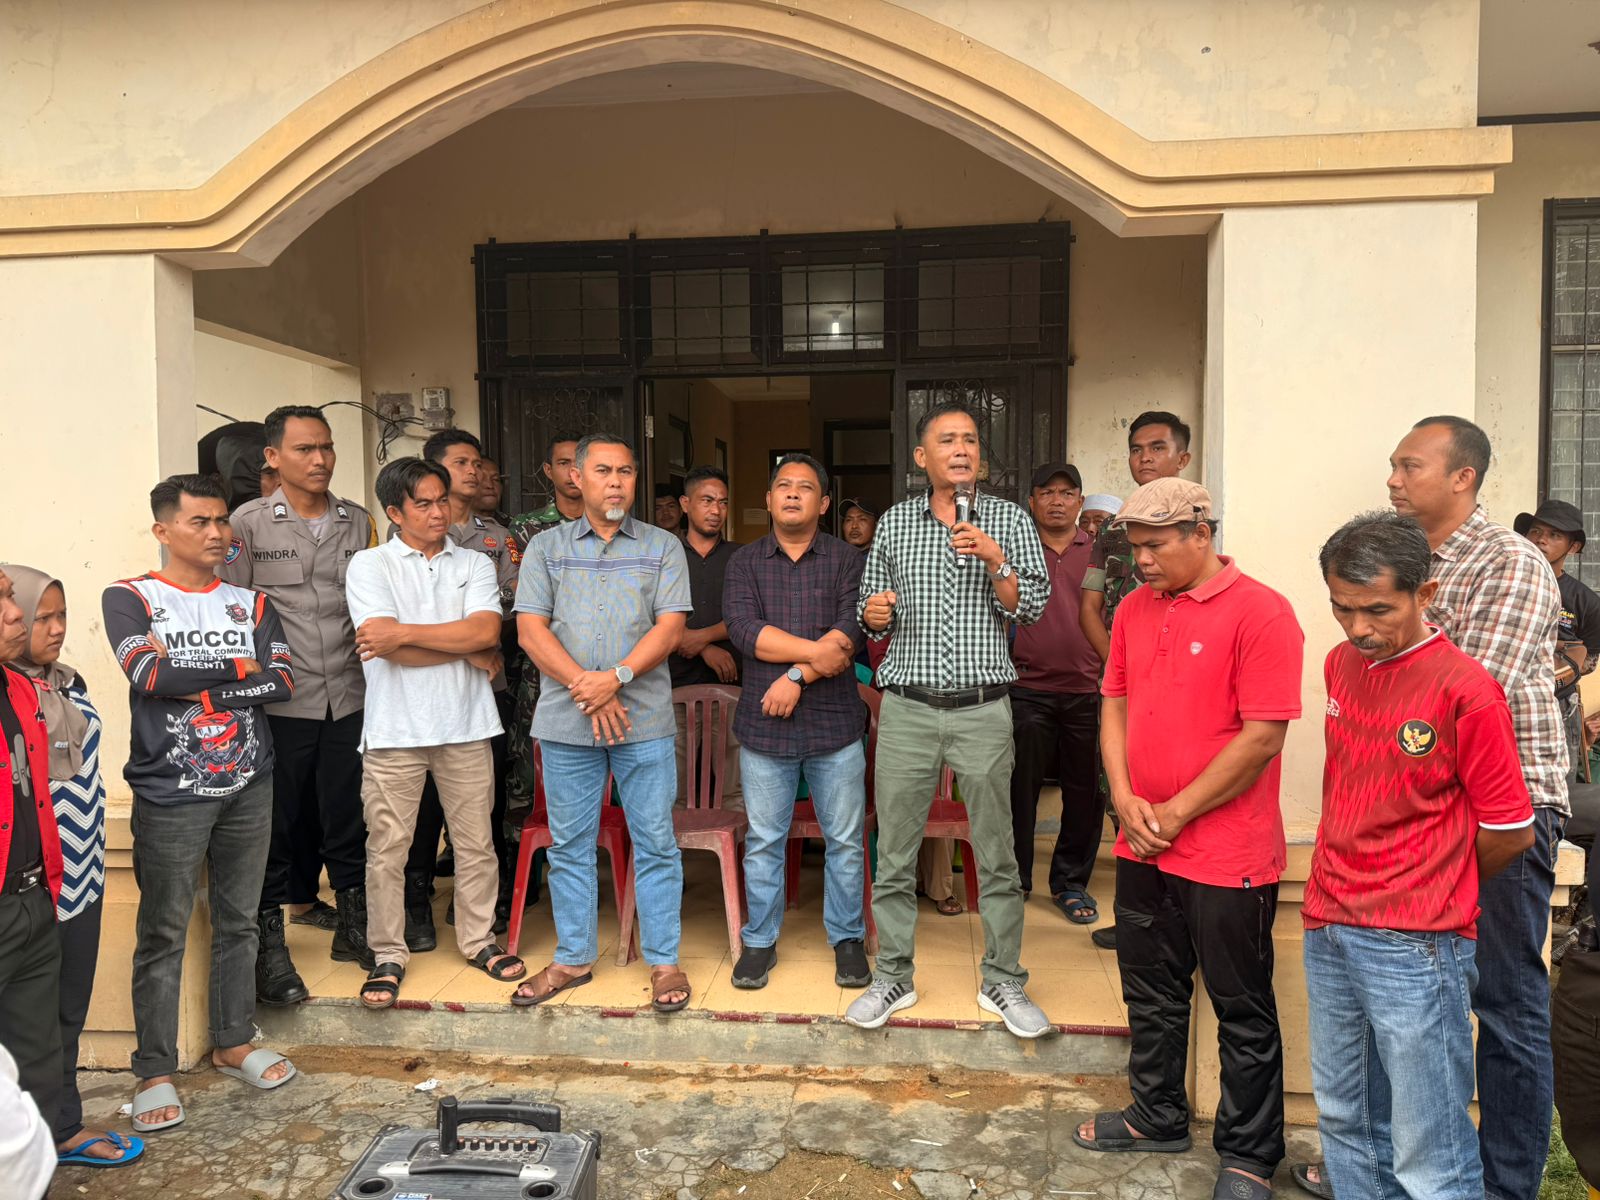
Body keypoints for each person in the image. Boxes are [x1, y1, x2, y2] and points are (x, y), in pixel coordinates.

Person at [1296, 416, 1570, 1200]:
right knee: (1364, 1098)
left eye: (1410, 465)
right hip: (1364, 889)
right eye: (1391, 465)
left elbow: (1463, 706)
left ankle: (1504, 1185)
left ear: (1462, 476)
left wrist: (1422, 878)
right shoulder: (1364, 622)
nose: (1393, 478)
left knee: (1502, 1009)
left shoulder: (1508, 562)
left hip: (1489, 821)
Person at [1073, 477, 1303, 1200]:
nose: (1140, 560)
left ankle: (1249, 1154)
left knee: (1241, 1005)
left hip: (1228, 851)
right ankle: (1157, 1115)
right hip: (1141, 840)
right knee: (1151, 990)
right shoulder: (1134, 610)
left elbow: (1262, 737)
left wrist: (1175, 814)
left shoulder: (1262, 612)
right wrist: (1123, 798)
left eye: (1155, 546)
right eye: (1133, 547)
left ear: (1201, 534)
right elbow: (1113, 703)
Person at [847, 400, 1052, 1037]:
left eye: (969, 440)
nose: (961, 450)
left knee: (996, 855)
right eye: (947, 440)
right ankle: (893, 976)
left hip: (984, 710)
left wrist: (995, 558)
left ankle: (1003, 980)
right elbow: (868, 607)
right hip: (908, 710)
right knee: (895, 854)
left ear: (980, 457)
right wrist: (874, 613)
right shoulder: (894, 523)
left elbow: (1032, 606)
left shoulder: (1009, 521)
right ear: (922, 457)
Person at [101, 474, 298, 1132]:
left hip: (250, 781)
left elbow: (282, 680)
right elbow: (149, 674)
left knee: (240, 920)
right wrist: (240, 669)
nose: (216, 533)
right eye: (200, 522)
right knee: (163, 930)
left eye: (221, 521)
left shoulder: (251, 601)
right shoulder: (130, 597)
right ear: (163, 530)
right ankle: (154, 1068)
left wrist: (202, 689)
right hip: (170, 791)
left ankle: (233, 1040)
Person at [510, 433, 694, 1012]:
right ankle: (573, 958)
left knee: (656, 842)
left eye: (626, 472)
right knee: (570, 846)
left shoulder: (663, 546)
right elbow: (530, 631)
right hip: (567, 724)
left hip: (644, 721)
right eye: (603, 471)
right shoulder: (545, 549)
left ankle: (663, 961)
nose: (616, 482)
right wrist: (587, 687)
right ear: (577, 478)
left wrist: (615, 677)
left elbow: (670, 629)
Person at [343, 457, 526, 1009]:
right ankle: (387, 953)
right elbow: (381, 644)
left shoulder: (473, 561)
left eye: (441, 499)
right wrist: (462, 649)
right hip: (393, 731)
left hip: (467, 724)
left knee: (476, 843)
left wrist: (408, 636)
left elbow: (486, 630)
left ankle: (478, 940)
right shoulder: (370, 565)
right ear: (395, 512)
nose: (437, 511)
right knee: (387, 848)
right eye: (422, 503)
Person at [219, 405, 377, 1006]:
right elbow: (232, 614)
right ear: (273, 457)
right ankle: (269, 946)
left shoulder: (358, 521)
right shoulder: (247, 525)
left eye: (326, 447)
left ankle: (355, 923)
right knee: (277, 822)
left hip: (350, 693)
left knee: (349, 812)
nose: (319, 459)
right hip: (280, 704)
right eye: (305, 449)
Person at [0, 565, 139, 1167]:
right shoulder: (17, 693)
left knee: (61, 1010)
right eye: (42, 616)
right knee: (29, 1021)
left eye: (60, 615)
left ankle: (55, 1128)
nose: (53, 628)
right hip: (25, 879)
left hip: (76, 867)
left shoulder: (63, 683)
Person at [723, 453, 870, 990]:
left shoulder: (847, 560)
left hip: (835, 726)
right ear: (768, 499)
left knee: (845, 841)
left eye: (804, 487)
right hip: (765, 728)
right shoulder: (744, 562)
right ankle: (759, 941)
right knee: (764, 840)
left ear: (823, 503)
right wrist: (815, 656)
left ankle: (847, 938)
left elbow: (851, 627)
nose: (791, 493)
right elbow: (744, 630)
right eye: (783, 485)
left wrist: (796, 677)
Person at [1077, 411, 1192, 952]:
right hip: (1124, 690)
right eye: (1137, 449)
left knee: (1180, 794)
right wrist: (1122, 674)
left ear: (1182, 458)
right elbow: (1090, 609)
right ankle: (1137, 921)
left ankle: (1182, 921)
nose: (1145, 458)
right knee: (1119, 794)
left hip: (1184, 691)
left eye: (1157, 448)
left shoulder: (1199, 523)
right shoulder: (1112, 531)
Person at [402, 429, 519, 947]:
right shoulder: (403, 540)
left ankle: (476, 907)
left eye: (476, 462)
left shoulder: (497, 538)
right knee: (422, 805)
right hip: (418, 694)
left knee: (482, 802)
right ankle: (416, 897)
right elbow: (394, 625)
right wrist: (467, 641)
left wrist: (482, 640)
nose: (473, 471)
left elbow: (511, 609)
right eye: (461, 463)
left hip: (486, 687)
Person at [1008, 464, 1103, 922]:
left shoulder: (1101, 552)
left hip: (1090, 690)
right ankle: (1016, 879)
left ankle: (1070, 883)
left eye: (1067, 493)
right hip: (1027, 689)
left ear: (1080, 501)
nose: (1057, 501)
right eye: (1047, 492)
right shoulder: (1015, 551)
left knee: (1085, 794)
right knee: (1017, 789)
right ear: (1032, 502)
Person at [0, 566, 67, 1169]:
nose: (16, 613)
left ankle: (38, 1174)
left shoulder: (22, 690)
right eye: (1, 602)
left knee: (38, 1055)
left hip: (33, 896)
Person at [505, 432, 584, 876]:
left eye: (580, 462)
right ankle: (526, 870)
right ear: (548, 471)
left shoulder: (614, 525)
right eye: (564, 463)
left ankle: (595, 862)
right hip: (540, 671)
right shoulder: (526, 528)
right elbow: (525, 598)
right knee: (529, 770)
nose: (573, 472)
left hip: (599, 668)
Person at [668, 466, 742, 807]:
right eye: (707, 501)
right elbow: (646, 615)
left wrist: (701, 639)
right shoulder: (664, 554)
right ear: (686, 504)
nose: (716, 510)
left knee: (733, 791)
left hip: (731, 686)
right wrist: (705, 649)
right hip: (672, 685)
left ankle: (732, 843)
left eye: (723, 502)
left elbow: (750, 615)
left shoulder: (741, 557)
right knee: (674, 792)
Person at [1515, 498, 1600, 774]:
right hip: (1501, 701)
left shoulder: (1586, 601)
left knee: (1557, 785)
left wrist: (1560, 667)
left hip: (1559, 707)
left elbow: (1590, 658)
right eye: (1536, 531)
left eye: (1554, 535)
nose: (1541, 540)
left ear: (1573, 547)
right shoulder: (1505, 583)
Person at [475, 454, 511, 525]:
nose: (490, 485)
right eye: (481, 479)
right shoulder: (453, 526)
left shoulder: (514, 526)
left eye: (495, 479)